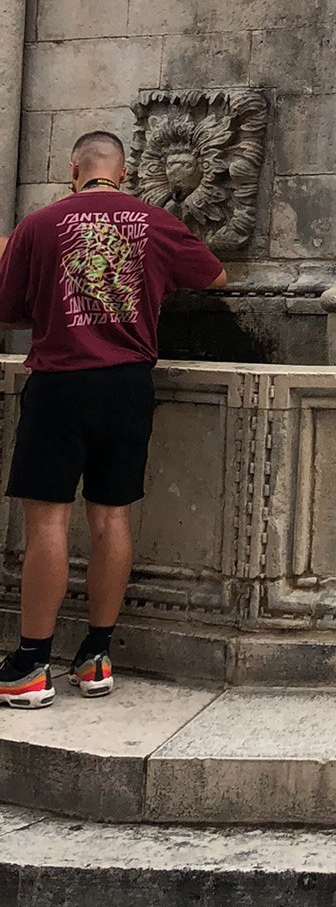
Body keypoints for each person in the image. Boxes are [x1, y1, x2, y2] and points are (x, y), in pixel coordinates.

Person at [0, 131, 226, 707]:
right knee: (111, 518)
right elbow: (215, 276)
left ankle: (30, 664)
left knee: (48, 524)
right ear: (122, 175)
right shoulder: (152, 221)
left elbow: (7, 310)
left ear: (73, 169)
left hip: (61, 383)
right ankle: (97, 656)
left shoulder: (40, 223)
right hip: (128, 385)